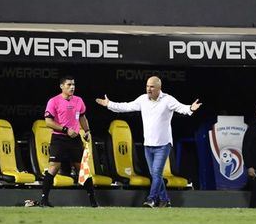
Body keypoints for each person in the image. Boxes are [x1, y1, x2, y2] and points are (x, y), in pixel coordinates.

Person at [96, 76, 202, 208]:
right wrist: (109, 104)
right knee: (154, 175)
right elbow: (126, 106)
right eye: (147, 86)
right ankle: (165, 200)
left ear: (159, 88)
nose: (148, 89)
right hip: (148, 145)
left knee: (157, 173)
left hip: (163, 145)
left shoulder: (168, 100)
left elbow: (182, 108)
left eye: (152, 86)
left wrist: (191, 108)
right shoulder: (142, 99)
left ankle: (151, 199)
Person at [38, 76, 98, 208]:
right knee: (53, 167)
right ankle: (44, 200)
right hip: (59, 138)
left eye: (74, 84)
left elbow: (82, 117)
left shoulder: (79, 101)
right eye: (69, 84)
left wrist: (87, 131)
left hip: (75, 139)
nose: (72, 87)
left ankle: (93, 202)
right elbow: (48, 122)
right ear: (62, 86)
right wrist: (66, 129)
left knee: (82, 169)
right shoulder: (53, 101)